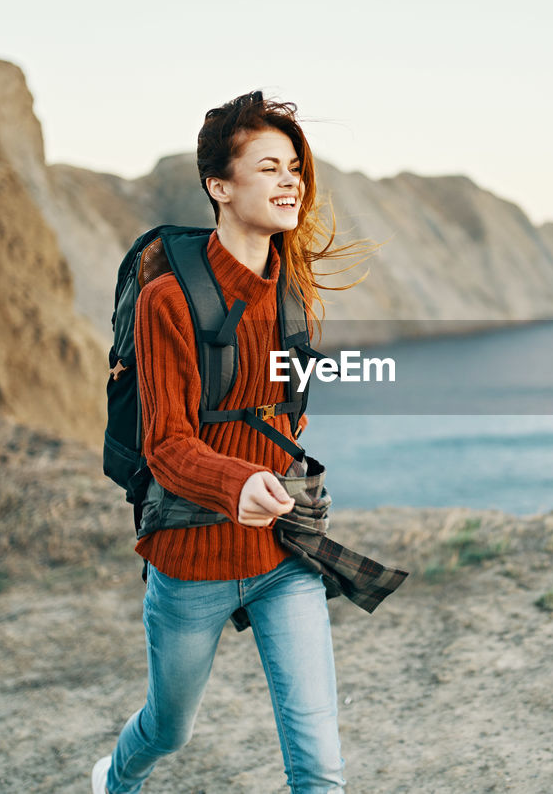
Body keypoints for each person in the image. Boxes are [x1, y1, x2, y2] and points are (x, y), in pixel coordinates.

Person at [93, 91, 373, 794]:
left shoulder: (299, 297)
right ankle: (115, 782)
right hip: (190, 562)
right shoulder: (168, 299)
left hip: (285, 555)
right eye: (269, 167)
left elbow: (285, 414)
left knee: (320, 769)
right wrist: (236, 483)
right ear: (219, 185)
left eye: (296, 170)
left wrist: (289, 481)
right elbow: (167, 443)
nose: (291, 183)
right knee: (169, 728)